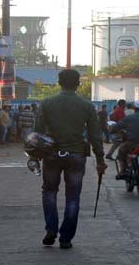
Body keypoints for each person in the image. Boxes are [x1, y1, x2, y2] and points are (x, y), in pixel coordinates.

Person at [35, 69, 107, 249]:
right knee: (73, 196)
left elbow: (38, 132)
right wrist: (100, 159)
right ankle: (66, 238)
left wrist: (36, 155)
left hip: (52, 154)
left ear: (59, 82)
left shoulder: (46, 103)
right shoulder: (87, 106)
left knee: (49, 191)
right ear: (78, 84)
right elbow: (95, 134)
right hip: (76, 155)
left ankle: (51, 228)